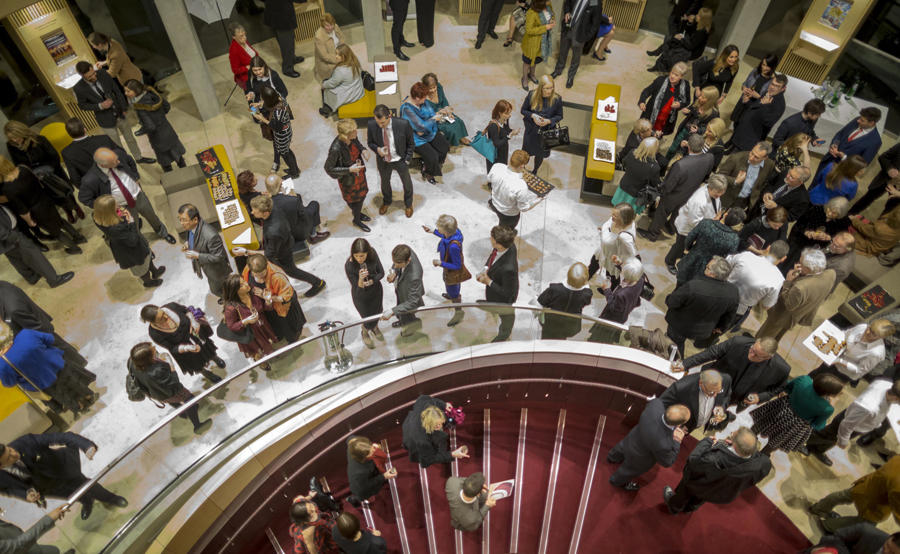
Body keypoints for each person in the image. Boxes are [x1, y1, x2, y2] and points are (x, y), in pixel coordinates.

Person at [0, 432, 128, 520]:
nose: (14, 454)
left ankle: (110, 498)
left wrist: (85, 445)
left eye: (10, 450)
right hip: (45, 488)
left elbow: (61, 436)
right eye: (9, 458)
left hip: (61, 469)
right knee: (70, 495)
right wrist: (25, 494)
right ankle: (86, 501)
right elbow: (6, 489)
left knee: (87, 485)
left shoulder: (26, 442)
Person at [662, 427, 772, 514]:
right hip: (718, 490)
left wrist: (707, 441)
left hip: (697, 483)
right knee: (701, 497)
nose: (732, 431)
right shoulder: (764, 463)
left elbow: (693, 462)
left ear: (735, 446)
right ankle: (690, 508)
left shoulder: (714, 459)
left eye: (734, 434)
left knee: (685, 492)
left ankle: (674, 507)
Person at [79, 147, 177, 244]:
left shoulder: (118, 155)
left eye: (116, 158)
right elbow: (84, 198)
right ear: (102, 165)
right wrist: (106, 206)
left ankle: (162, 233)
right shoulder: (90, 179)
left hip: (138, 195)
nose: (118, 161)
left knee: (152, 216)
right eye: (114, 162)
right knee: (133, 228)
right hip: (122, 207)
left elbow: (130, 160)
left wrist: (136, 176)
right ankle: (144, 246)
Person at [0, 321, 95, 418]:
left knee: (63, 395)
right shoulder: (26, 334)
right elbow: (50, 339)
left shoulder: (3, 364)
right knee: (73, 381)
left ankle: (79, 407)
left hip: (43, 383)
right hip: (58, 363)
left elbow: (9, 382)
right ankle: (89, 395)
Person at [678, 336, 790, 416]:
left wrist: (760, 397)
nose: (751, 355)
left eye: (757, 356)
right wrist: (686, 364)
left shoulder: (781, 369)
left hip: (733, 399)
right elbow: (712, 352)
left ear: (768, 357)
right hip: (712, 382)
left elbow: (778, 388)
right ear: (757, 341)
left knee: (712, 414)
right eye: (752, 349)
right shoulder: (738, 342)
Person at [241, 195, 327, 297]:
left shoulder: (274, 231)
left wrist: (247, 252)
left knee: (292, 271)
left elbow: (269, 253)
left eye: (255, 211)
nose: (252, 212)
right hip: (284, 240)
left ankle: (318, 283)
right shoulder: (274, 207)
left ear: (265, 213)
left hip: (282, 252)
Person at [806, 378, 900, 467]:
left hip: (861, 423)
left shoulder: (885, 384)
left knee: (831, 440)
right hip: (850, 423)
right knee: (825, 435)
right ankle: (804, 444)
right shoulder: (868, 406)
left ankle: (818, 450)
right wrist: (843, 441)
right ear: (896, 398)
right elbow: (846, 425)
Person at [72, 61, 152, 164]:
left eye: (93, 73)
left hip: (119, 113)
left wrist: (124, 108)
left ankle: (139, 157)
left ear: (92, 68)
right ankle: (124, 163)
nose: (94, 76)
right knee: (116, 145)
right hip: (105, 120)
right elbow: (82, 106)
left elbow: (117, 91)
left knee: (130, 138)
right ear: (82, 76)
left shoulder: (103, 73)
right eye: (89, 76)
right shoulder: (78, 88)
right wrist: (100, 106)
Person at [0, 157, 85, 254]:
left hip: (36, 211)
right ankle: (79, 237)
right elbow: (38, 182)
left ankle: (75, 248)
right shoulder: (23, 168)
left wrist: (30, 221)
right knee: (60, 221)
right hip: (45, 199)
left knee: (55, 231)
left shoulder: (7, 189)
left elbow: (23, 210)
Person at [638, 134, 714, 242]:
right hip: (691, 192)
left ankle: (652, 234)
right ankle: (671, 227)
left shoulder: (680, 165)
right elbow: (707, 175)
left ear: (689, 146)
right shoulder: (710, 157)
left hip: (673, 195)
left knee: (661, 213)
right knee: (678, 212)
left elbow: (668, 185)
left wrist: (660, 194)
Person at [5, 121, 82, 223]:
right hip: (35, 176)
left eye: (16, 136)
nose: (15, 140)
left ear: (22, 132)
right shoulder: (11, 145)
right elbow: (18, 164)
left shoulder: (40, 140)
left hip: (53, 172)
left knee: (64, 191)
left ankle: (76, 207)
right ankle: (68, 211)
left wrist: (47, 172)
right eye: (11, 139)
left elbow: (54, 157)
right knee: (54, 196)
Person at [127, 342, 212, 435]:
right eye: (152, 350)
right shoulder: (158, 370)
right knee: (190, 400)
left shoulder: (132, 363)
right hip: (173, 392)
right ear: (148, 358)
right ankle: (197, 425)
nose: (155, 348)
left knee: (173, 402)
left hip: (157, 394)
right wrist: (170, 365)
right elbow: (174, 381)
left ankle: (182, 413)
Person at [0, 280, 87, 369]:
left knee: (58, 347)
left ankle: (79, 363)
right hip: (28, 325)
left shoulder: (13, 309)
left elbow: (38, 330)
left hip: (38, 331)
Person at [751, 373, 844, 455]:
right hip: (795, 425)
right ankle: (763, 454)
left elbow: (788, 388)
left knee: (763, 423)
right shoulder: (827, 408)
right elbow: (817, 425)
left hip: (781, 408)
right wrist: (831, 405)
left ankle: (749, 437)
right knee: (778, 440)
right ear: (828, 394)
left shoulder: (804, 379)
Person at [607, 400, 690, 491]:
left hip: (632, 438)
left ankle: (612, 457)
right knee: (628, 471)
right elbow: (667, 462)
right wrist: (677, 441)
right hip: (639, 458)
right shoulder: (664, 444)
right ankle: (616, 481)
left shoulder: (656, 405)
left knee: (621, 448)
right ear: (679, 424)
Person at [664, 256, 739, 355]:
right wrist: (721, 327)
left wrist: (668, 298)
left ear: (712, 274)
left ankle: (675, 360)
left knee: (675, 345)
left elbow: (672, 302)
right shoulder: (733, 292)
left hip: (679, 326)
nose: (705, 268)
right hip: (704, 331)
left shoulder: (693, 286)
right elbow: (729, 316)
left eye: (707, 267)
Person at [756, 248, 836, 341]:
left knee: (763, 338)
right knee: (776, 337)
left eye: (801, 263)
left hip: (781, 317)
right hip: (797, 316)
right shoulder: (831, 274)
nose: (798, 264)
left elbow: (789, 304)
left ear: (808, 269)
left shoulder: (800, 288)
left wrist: (788, 282)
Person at [809, 454, 900, 533]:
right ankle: (829, 526)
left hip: (866, 484)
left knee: (842, 496)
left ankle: (818, 508)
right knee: (864, 524)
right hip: (875, 504)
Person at [91, 194, 165, 288]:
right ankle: (148, 282)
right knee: (141, 268)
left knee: (147, 256)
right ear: (109, 212)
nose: (118, 205)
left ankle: (155, 272)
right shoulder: (116, 228)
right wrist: (131, 221)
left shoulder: (97, 216)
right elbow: (133, 240)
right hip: (131, 251)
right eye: (115, 205)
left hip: (128, 244)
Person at [141, 302, 224, 384]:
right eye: (161, 319)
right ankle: (208, 374)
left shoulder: (172, 306)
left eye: (163, 313)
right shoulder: (154, 333)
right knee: (197, 364)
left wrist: (193, 321)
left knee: (208, 349)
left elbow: (187, 311)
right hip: (185, 351)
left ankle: (215, 358)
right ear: (153, 322)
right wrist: (187, 348)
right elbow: (172, 348)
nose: (166, 317)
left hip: (195, 336)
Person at [665, 173, 727, 275]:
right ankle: (670, 261)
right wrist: (711, 224)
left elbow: (716, 204)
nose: (720, 195)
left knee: (684, 245)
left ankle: (679, 254)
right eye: (718, 192)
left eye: (722, 192)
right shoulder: (699, 201)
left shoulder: (713, 193)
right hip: (687, 227)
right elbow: (694, 221)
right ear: (710, 188)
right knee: (680, 245)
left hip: (704, 223)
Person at [0, 204, 74, 288]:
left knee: (16, 257)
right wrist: (14, 237)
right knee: (34, 254)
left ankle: (32, 277)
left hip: (5, 240)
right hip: (9, 236)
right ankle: (54, 280)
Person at [724, 240, 788, 332]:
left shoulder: (746, 256)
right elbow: (767, 305)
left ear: (768, 248)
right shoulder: (778, 279)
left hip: (720, 293)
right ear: (783, 258)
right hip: (738, 309)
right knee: (720, 329)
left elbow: (726, 262)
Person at [241, 254, 306, 344]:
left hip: (282, 307)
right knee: (276, 329)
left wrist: (268, 297)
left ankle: (294, 340)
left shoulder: (277, 277)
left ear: (266, 266)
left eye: (262, 274)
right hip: (268, 308)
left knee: (290, 331)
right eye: (256, 275)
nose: (260, 278)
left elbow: (286, 297)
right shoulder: (247, 270)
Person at [123, 79, 186, 173]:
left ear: (136, 90)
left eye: (128, 91)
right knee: (177, 154)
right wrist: (159, 118)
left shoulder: (140, 106)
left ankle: (171, 178)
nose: (125, 93)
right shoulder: (152, 94)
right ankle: (186, 171)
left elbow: (150, 127)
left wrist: (140, 131)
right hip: (167, 130)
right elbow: (167, 106)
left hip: (157, 137)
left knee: (165, 161)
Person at [220, 273, 277, 372]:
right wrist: (246, 321)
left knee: (267, 345)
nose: (247, 285)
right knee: (257, 352)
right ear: (235, 291)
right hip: (250, 334)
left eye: (244, 281)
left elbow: (265, 309)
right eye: (241, 285)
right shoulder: (231, 308)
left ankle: (267, 354)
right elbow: (231, 326)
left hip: (262, 326)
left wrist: (268, 301)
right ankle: (260, 362)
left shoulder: (253, 292)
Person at [809, 320, 894, 384]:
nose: (867, 332)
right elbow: (844, 334)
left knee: (822, 386)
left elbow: (859, 370)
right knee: (813, 375)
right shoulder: (862, 327)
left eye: (873, 333)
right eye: (870, 328)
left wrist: (839, 361)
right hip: (833, 357)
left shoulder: (876, 353)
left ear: (881, 337)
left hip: (842, 374)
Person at [367, 104, 415, 218]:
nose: (380, 125)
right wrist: (377, 149)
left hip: (400, 159)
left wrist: (407, 159)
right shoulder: (372, 125)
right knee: (385, 183)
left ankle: (408, 204)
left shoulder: (403, 124)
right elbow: (370, 143)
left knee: (407, 183)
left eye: (383, 123)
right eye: (378, 122)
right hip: (384, 160)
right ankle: (387, 201)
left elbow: (411, 144)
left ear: (389, 116)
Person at [781, 196, 851, 273]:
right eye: (829, 209)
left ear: (840, 215)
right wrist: (807, 232)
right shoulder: (817, 209)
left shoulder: (843, 222)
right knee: (786, 259)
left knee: (796, 268)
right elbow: (799, 224)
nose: (829, 213)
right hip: (799, 240)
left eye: (834, 213)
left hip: (814, 248)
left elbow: (839, 237)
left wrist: (829, 237)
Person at [675, 207, 743, 286]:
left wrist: (690, 249)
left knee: (680, 285)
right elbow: (727, 259)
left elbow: (689, 238)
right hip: (709, 271)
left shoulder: (706, 223)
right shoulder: (734, 239)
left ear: (726, 214)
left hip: (691, 260)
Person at [325, 119, 371, 232]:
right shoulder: (335, 149)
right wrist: (349, 169)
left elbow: (358, 145)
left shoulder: (353, 138)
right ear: (346, 135)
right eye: (354, 131)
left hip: (359, 174)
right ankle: (356, 219)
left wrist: (363, 150)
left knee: (363, 195)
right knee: (354, 200)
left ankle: (357, 213)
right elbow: (328, 168)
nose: (357, 132)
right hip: (348, 179)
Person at [399, 81, 450, 184]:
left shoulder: (423, 102)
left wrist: (434, 117)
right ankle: (428, 171)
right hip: (417, 139)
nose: (426, 99)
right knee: (433, 156)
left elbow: (429, 115)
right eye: (424, 98)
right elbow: (420, 127)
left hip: (429, 131)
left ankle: (431, 164)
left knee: (444, 146)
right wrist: (432, 120)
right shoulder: (407, 110)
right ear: (417, 98)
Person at [423, 215, 469, 328]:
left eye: (439, 229)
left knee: (454, 290)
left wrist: (441, 263)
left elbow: (457, 265)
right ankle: (451, 294)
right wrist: (433, 231)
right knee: (449, 286)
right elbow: (445, 237)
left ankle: (458, 311)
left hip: (451, 272)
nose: (438, 230)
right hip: (447, 267)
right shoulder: (455, 232)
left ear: (446, 231)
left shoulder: (453, 247)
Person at [177, 204, 231, 299]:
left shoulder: (211, 235)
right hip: (206, 267)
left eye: (184, 220)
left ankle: (230, 300)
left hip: (217, 271)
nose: (182, 223)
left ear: (195, 220)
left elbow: (219, 256)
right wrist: (188, 243)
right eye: (180, 219)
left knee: (216, 290)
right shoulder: (190, 227)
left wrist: (198, 256)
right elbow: (194, 237)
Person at [401, 394, 468, 467]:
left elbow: (424, 398)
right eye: (437, 425)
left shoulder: (424, 403)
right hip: (412, 438)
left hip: (411, 422)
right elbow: (429, 459)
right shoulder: (423, 441)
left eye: (441, 423)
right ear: (429, 425)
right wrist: (452, 454)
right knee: (423, 451)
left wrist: (444, 405)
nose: (440, 427)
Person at [477, 225, 519, 342]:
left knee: (507, 317)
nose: (490, 239)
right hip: (496, 288)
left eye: (492, 239)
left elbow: (507, 293)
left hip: (504, 299)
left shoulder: (508, 268)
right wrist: (485, 269)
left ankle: (503, 336)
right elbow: (493, 255)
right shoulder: (507, 245)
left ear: (498, 244)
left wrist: (488, 281)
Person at [550, 0, 605, 88]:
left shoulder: (596, 2)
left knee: (576, 56)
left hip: (580, 34)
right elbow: (567, 3)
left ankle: (571, 76)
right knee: (563, 51)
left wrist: (586, 37)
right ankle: (558, 70)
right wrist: (567, 12)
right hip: (567, 29)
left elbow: (595, 23)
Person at [263, 173, 330, 246]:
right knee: (314, 204)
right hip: (298, 232)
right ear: (280, 185)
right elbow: (304, 216)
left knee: (299, 198)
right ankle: (313, 236)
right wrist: (293, 195)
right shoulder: (293, 200)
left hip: (284, 232)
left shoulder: (265, 203)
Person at [816, 107, 884, 178]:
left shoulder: (875, 141)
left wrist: (844, 157)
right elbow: (840, 134)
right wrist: (834, 144)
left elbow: (862, 163)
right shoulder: (857, 120)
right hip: (828, 159)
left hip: (841, 171)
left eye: (862, 120)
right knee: (816, 180)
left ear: (871, 123)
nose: (858, 121)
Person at [728, 73, 787, 153]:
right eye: (772, 84)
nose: (772, 87)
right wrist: (747, 102)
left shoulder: (780, 104)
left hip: (749, 140)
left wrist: (764, 106)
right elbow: (756, 107)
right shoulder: (768, 93)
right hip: (742, 133)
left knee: (737, 161)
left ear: (783, 88)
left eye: (777, 86)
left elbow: (768, 122)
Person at [60, 117, 123, 190]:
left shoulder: (67, 153)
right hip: (119, 180)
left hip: (97, 189)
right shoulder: (104, 139)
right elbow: (122, 156)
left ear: (69, 134)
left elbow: (75, 178)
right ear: (85, 129)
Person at [659, 369, 730, 432]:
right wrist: (677, 426)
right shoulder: (681, 388)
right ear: (701, 383)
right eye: (711, 392)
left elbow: (727, 396)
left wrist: (722, 407)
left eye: (718, 391)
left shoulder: (726, 379)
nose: (715, 395)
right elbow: (660, 405)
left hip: (697, 424)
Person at [252, 85, 300, 179]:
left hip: (282, 135)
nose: (261, 99)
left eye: (263, 98)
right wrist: (259, 104)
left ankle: (294, 173)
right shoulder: (279, 97)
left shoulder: (278, 113)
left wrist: (262, 118)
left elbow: (276, 127)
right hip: (287, 130)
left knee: (285, 154)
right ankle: (294, 169)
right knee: (287, 151)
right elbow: (271, 104)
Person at [537, 262, 593, 340]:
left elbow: (540, 301)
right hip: (569, 327)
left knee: (546, 340)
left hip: (550, 324)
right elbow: (587, 301)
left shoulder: (555, 289)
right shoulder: (586, 294)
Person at [488, 149, 543, 228]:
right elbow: (523, 208)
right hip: (508, 213)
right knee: (505, 230)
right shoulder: (521, 186)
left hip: (494, 202)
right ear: (522, 166)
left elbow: (489, 179)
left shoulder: (497, 166)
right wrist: (538, 200)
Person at [345, 239, 385, 348]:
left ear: (368, 252)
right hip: (361, 296)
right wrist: (361, 279)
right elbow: (356, 286)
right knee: (366, 316)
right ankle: (365, 330)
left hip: (375, 291)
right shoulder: (349, 265)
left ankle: (375, 327)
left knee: (377, 312)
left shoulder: (373, 254)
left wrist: (372, 280)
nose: (359, 259)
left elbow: (381, 273)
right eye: (356, 256)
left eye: (362, 256)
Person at [594, 258, 645, 343]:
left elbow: (613, 307)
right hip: (625, 312)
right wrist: (620, 264)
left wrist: (607, 290)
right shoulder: (640, 278)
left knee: (602, 336)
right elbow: (633, 273)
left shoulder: (622, 295)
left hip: (612, 319)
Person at [587, 202, 637, 287]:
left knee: (611, 277)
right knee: (593, 265)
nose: (612, 217)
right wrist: (603, 229)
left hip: (612, 259)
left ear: (623, 219)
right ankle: (585, 279)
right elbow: (608, 225)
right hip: (602, 251)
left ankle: (611, 292)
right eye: (613, 213)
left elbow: (632, 254)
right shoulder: (617, 220)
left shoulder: (625, 237)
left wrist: (620, 262)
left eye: (615, 216)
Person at [664, 85, 719, 161]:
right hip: (684, 130)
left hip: (694, 138)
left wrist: (698, 130)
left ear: (710, 100)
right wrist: (687, 111)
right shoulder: (698, 102)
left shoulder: (714, 114)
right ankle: (664, 162)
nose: (699, 98)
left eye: (703, 97)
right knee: (672, 149)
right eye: (700, 95)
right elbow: (690, 109)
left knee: (684, 155)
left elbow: (710, 129)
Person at [648, 7, 713, 72]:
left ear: (703, 19)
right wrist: (689, 22)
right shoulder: (699, 24)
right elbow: (688, 31)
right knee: (670, 39)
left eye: (698, 15)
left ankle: (659, 59)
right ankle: (658, 61)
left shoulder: (702, 32)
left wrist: (681, 39)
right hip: (689, 43)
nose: (696, 16)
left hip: (693, 52)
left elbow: (691, 46)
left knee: (671, 47)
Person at [521, 74, 563, 173]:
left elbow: (559, 116)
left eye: (551, 88)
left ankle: (535, 170)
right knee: (526, 152)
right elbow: (523, 110)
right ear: (541, 88)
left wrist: (549, 121)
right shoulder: (532, 95)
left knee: (540, 154)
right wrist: (533, 116)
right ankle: (522, 168)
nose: (550, 91)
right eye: (547, 88)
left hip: (546, 133)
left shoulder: (557, 99)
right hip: (532, 131)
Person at [637, 62, 691, 139]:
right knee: (643, 134)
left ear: (681, 76)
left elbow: (687, 101)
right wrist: (642, 101)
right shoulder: (660, 81)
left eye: (676, 75)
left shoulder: (685, 86)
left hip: (666, 120)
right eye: (672, 73)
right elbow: (647, 91)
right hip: (651, 114)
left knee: (657, 137)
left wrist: (680, 104)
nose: (672, 76)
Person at [611, 136, 663, 215]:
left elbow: (624, 163)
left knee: (616, 209)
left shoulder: (632, 153)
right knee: (629, 215)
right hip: (635, 195)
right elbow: (654, 183)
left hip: (624, 187)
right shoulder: (654, 167)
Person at [381, 244, 425, 337]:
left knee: (407, 313)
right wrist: (394, 272)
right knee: (402, 311)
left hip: (410, 294)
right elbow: (396, 264)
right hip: (403, 290)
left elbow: (412, 302)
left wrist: (392, 311)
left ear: (408, 260)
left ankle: (411, 328)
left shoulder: (415, 276)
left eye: (398, 264)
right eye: (394, 262)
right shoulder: (405, 250)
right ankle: (404, 321)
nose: (395, 265)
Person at [717, 142, 776, 209]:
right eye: (752, 153)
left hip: (745, 202)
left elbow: (766, 182)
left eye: (756, 157)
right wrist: (735, 181)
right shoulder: (736, 158)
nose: (751, 158)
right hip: (727, 198)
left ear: (765, 158)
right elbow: (719, 176)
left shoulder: (770, 165)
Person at [851, 143, 900, 216]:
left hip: (898, 191)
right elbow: (883, 157)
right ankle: (849, 216)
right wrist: (889, 169)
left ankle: (879, 225)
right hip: (885, 179)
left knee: (890, 212)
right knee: (866, 200)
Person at [0, 503, 70, 554]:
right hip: (21, 548)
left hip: (29, 549)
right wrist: (49, 519)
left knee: (54, 550)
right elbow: (17, 546)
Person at [422, 73, 470, 147]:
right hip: (434, 117)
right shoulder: (422, 97)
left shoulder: (439, 87)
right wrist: (438, 113)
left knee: (458, 121)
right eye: (430, 88)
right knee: (449, 129)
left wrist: (448, 111)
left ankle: (461, 138)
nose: (433, 90)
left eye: (434, 87)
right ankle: (451, 141)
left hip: (444, 112)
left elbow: (444, 101)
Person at [730, 53, 778, 126]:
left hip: (753, 107)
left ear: (773, 67)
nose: (764, 68)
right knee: (736, 123)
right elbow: (745, 83)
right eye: (763, 64)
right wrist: (744, 88)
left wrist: (758, 96)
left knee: (744, 127)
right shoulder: (755, 71)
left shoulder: (773, 81)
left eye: (767, 66)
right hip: (744, 101)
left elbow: (769, 101)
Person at [345, 436, 395, 505]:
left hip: (369, 473)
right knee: (362, 496)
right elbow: (365, 487)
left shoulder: (354, 444)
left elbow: (350, 438)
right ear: (363, 456)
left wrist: (372, 446)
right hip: (361, 488)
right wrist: (384, 476)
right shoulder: (359, 472)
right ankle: (353, 500)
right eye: (371, 452)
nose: (374, 451)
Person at [320, 43, 364, 117]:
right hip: (358, 91)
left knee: (326, 87)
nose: (336, 56)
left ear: (344, 56)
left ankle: (327, 109)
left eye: (338, 55)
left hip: (349, 95)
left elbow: (332, 83)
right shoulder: (356, 59)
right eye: (336, 54)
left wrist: (323, 85)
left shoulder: (340, 70)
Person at [520, 0, 556, 91]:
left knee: (536, 60)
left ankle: (532, 74)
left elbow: (552, 14)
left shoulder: (548, 5)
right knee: (527, 61)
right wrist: (545, 27)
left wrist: (552, 20)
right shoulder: (531, 12)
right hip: (532, 43)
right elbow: (529, 30)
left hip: (543, 42)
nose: (549, 1)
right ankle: (524, 78)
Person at [263, 0, 304, 78]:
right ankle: (287, 68)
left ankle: (292, 58)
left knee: (284, 41)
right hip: (283, 17)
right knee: (287, 44)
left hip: (272, 14)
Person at [808, 524, 898, 554]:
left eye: (892, 553)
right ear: (890, 536)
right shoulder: (867, 531)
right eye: (887, 546)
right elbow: (836, 538)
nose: (886, 551)